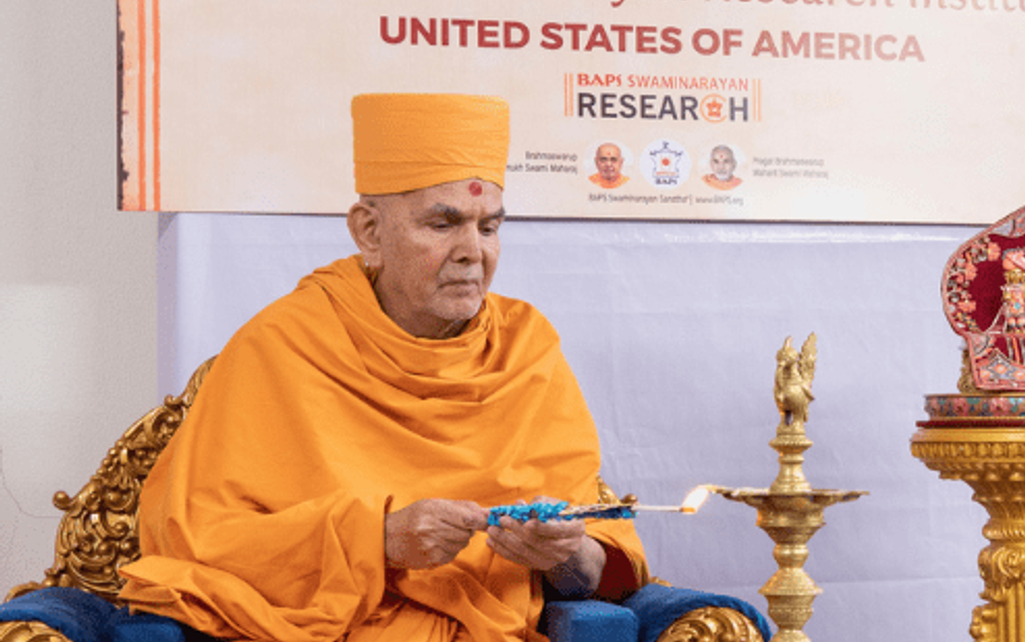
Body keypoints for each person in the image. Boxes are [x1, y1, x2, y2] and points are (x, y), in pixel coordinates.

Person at [118, 94, 648, 642]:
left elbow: (596, 569)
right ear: (369, 231)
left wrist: (563, 554)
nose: (473, 252)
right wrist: (378, 540)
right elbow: (197, 539)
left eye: (488, 227)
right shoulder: (281, 346)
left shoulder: (526, 348)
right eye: (443, 224)